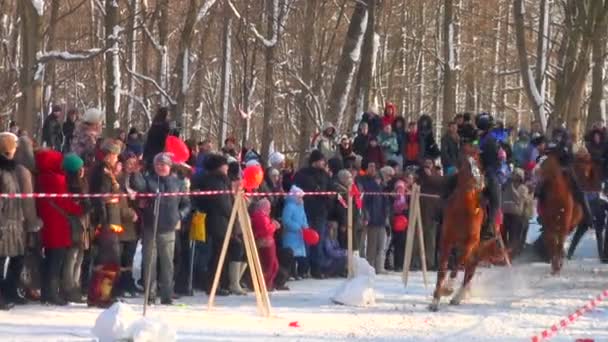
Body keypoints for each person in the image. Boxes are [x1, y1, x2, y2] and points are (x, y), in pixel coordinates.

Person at [132, 153, 191, 305]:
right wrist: (137, 172)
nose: (160, 166)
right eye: (157, 164)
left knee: (167, 263)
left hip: (169, 228)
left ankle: (167, 294)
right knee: (149, 262)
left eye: (163, 164)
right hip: (151, 226)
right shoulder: (149, 180)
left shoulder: (178, 183)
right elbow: (138, 187)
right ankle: (149, 295)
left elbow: (186, 203)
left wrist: (179, 215)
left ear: (169, 166)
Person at [36, 149, 84, 305]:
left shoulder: (41, 177)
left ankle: (46, 292)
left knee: (50, 259)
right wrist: (79, 208)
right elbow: (64, 202)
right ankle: (52, 293)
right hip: (58, 224)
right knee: (56, 261)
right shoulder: (57, 179)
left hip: (48, 223)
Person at [191, 154, 241, 296]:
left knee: (222, 253)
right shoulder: (216, 181)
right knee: (217, 254)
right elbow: (222, 202)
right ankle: (213, 284)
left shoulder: (221, 180)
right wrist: (233, 213)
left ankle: (222, 282)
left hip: (220, 221)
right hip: (218, 222)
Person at [87, 139, 123, 307]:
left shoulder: (108, 170)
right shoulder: (102, 171)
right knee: (108, 259)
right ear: (109, 155)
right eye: (115, 155)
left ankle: (103, 294)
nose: (116, 158)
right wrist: (103, 220)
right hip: (107, 218)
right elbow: (100, 197)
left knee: (109, 259)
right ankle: (100, 295)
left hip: (111, 217)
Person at [293, 150, 332, 279]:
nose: (323, 163)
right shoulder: (303, 174)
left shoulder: (325, 176)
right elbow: (297, 189)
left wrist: (327, 199)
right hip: (306, 211)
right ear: (315, 161)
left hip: (320, 212)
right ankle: (303, 268)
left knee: (318, 241)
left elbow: (330, 191)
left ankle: (316, 268)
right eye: (321, 160)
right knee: (306, 241)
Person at [0, 133, 28, 309]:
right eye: (14, 145)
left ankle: (11, 290)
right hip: (4, 221)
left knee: (18, 257)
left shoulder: (13, 169)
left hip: (15, 220)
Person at [61, 153, 91, 303]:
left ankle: (76, 285)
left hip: (83, 222)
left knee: (79, 257)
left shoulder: (83, 183)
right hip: (74, 222)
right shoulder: (70, 185)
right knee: (72, 257)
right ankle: (69, 287)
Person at [358, 160, 389, 274]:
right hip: (371, 218)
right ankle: (370, 267)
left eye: (374, 167)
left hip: (381, 218)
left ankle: (379, 267)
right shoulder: (365, 183)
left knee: (381, 244)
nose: (372, 169)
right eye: (370, 166)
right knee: (371, 246)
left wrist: (386, 217)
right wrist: (367, 216)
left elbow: (385, 204)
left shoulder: (382, 188)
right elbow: (364, 202)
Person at [476, 113, 502, 240]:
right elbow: (495, 159)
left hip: (477, 171)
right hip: (487, 173)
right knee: (496, 199)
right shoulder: (491, 139)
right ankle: (491, 225)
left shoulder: (477, 138)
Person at [251, 199, 285, 291]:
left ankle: (268, 284)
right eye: (268, 208)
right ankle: (264, 284)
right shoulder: (259, 216)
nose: (269, 210)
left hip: (269, 242)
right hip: (265, 244)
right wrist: (274, 226)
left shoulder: (264, 216)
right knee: (269, 266)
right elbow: (265, 230)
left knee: (274, 265)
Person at [501, 168, 533, 257]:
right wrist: (531, 195)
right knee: (514, 236)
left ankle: (505, 251)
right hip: (516, 214)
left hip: (505, 212)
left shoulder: (505, 185)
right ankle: (512, 253)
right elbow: (525, 200)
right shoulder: (523, 188)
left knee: (505, 234)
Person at [282, 186, 310, 279]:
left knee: (298, 255)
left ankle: (296, 272)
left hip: (299, 234)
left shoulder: (300, 207)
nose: (301, 199)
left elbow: (304, 217)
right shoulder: (289, 206)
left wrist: (305, 226)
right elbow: (286, 220)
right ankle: (290, 273)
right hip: (291, 234)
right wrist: (297, 227)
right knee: (291, 255)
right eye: (299, 197)